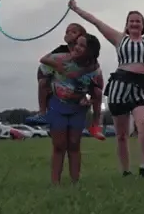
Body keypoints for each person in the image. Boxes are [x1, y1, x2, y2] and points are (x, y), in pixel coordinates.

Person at [68, 0, 144, 177]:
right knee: (122, 135)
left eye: (138, 21)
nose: (135, 23)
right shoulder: (119, 39)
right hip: (120, 87)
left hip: (142, 88)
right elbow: (96, 22)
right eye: (132, 21)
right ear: (127, 25)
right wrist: (76, 9)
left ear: (143, 25)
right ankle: (126, 170)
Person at [39, 33, 104, 184]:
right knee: (59, 145)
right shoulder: (60, 58)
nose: (77, 47)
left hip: (77, 109)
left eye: (82, 46)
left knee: (74, 144)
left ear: (90, 52)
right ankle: (55, 182)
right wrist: (47, 90)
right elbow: (42, 71)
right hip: (57, 105)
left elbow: (97, 91)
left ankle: (75, 181)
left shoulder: (94, 70)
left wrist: (87, 99)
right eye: (77, 44)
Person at [36, 23, 87, 116]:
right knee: (42, 83)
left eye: (73, 32)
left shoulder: (84, 53)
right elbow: (43, 59)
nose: (69, 33)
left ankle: (82, 99)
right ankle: (42, 112)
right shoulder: (61, 49)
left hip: (72, 78)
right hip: (51, 75)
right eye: (67, 32)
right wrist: (57, 65)